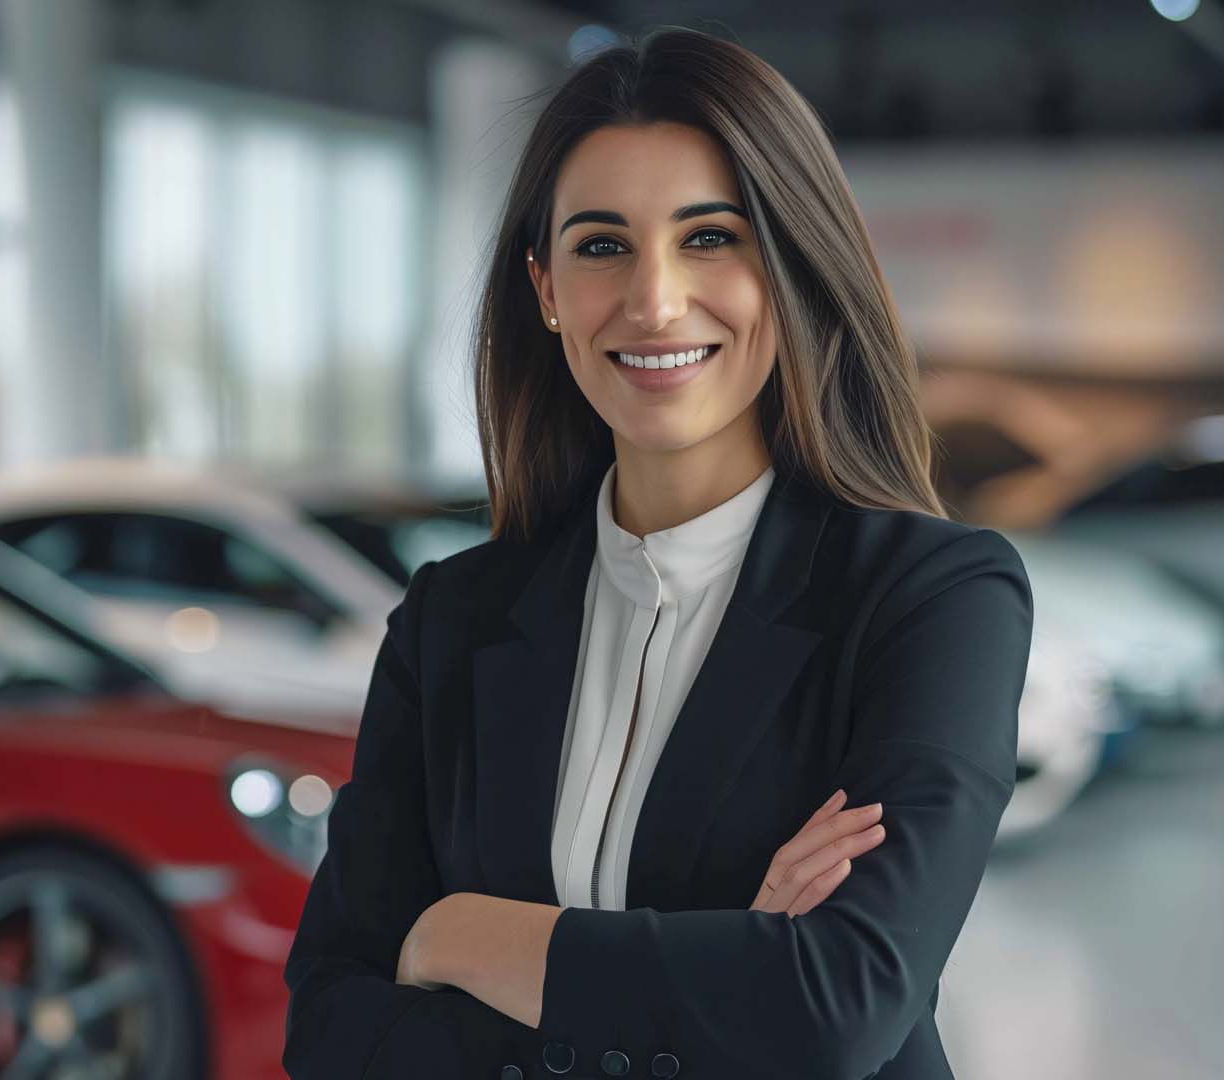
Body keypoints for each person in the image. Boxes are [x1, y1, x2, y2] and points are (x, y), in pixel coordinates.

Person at [283, 26, 1032, 1080]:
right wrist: (726, 978)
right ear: (546, 287)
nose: (655, 301)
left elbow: (835, 1008)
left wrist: (457, 936)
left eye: (710, 237)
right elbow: (328, 1031)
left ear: (789, 265)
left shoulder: (931, 598)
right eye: (602, 246)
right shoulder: (451, 620)